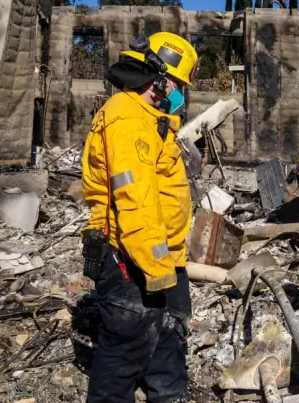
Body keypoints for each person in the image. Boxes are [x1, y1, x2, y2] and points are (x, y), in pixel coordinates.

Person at [81, 32, 200, 403]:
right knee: (123, 353)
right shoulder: (128, 119)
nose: (180, 94)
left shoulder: (150, 119)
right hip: (132, 259)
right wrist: (157, 270)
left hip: (161, 254)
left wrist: (170, 266)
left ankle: (168, 396)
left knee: (168, 336)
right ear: (159, 79)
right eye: (178, 85)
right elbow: (136, 200)